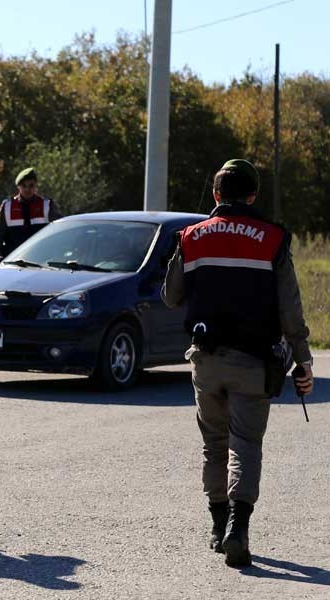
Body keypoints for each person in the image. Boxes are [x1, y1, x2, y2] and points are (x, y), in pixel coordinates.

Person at [162, 159, 314, 568]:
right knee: (245, 445)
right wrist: (303, 362)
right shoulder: (272, 239)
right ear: (253, 196)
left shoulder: (191, 236)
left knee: (214, 444)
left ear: (216, 196)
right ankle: (238, 529)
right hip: (254, 360)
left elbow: (171, 296)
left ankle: (216, 526)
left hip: (206, 361)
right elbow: (290, 310)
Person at [0, 167, 62, 257]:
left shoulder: (47, 205)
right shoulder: (7, 206)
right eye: (23, 186)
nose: (27, 189)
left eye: (31, 185)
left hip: (41, 260)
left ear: (36, 185)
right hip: (13, 261)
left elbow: (59, 233)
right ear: (18, 187)